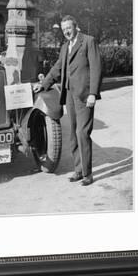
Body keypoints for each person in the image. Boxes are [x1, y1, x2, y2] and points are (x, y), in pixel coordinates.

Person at [34, 15, 102, 186]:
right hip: (69, 95)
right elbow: (58, 68)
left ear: (76, 26)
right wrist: (43, 84)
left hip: (85, 95)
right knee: (73, 134)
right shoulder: (65, 47)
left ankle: (88, 174)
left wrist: (93, 93)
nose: (66, 32)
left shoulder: (88, 41)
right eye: (64, 30)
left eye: (69, 28)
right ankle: (78, 171)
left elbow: (96, 68)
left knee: (82, 133)